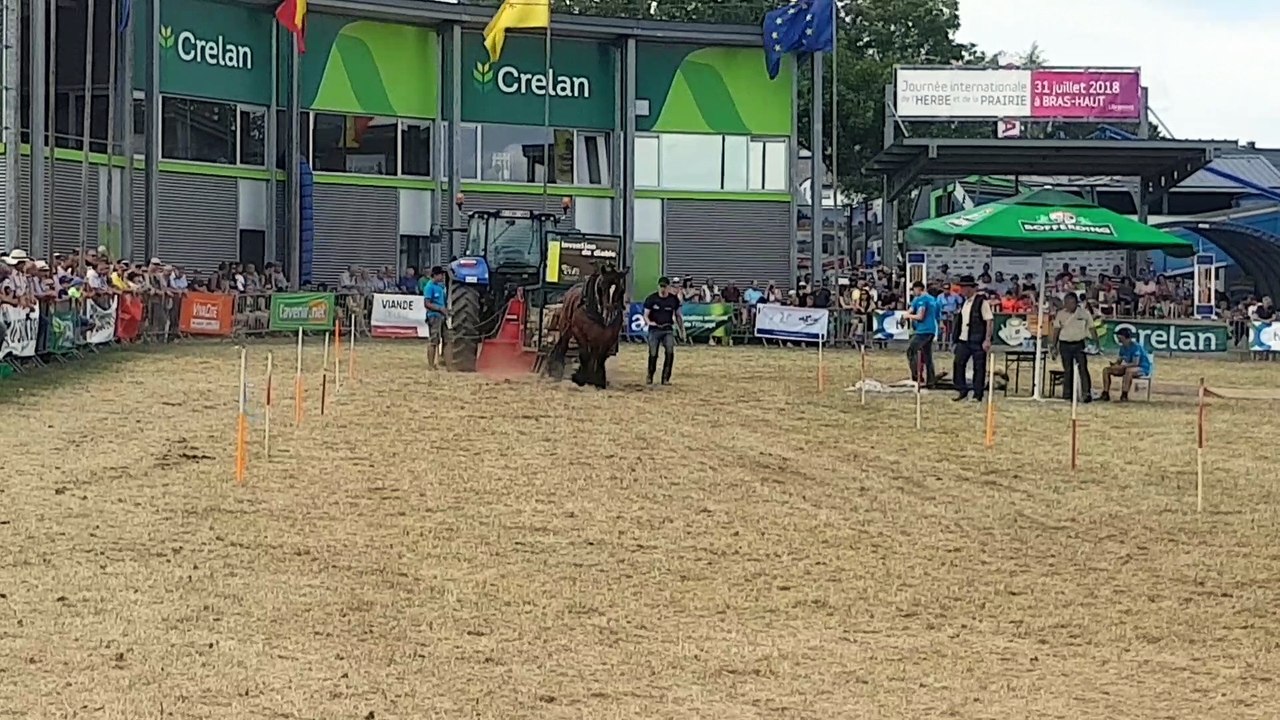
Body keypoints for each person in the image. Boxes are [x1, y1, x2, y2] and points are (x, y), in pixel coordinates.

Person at [1050, 291, 1099, 403]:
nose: (1068, 305)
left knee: (1083, 368)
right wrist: (1054, 345)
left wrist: (1097, 343)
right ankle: (1067, 394)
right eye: (1066, 303)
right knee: (1067, 370)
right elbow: (1056, 330)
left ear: (1076, 303)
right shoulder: (1060, 314)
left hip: (1079, 344)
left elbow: (1092, 328)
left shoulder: (1084, 313)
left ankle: (1086, 393)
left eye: (1071, 303)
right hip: (1064, 344)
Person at [950, 275, 992, 402]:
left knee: (979, 367)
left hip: (977, 339)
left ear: (970, 288)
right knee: (958, 363)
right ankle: (962, 389)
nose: (961, 290)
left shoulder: (982, 302)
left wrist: (987, 339)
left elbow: (989, 321)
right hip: (964, 339)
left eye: (963, 287)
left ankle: (977, 394)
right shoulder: (964, 303)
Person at [643, 276, 682, 385]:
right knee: (653, 353)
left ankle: (665, 378)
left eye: (665, 287)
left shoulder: (673, 300)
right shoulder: (651, 299)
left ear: (668, 287)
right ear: (658, 286)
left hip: (668, 329)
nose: (663, 289)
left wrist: (682, 330)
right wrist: (649, 322)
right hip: (654, 330)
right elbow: (645, 315)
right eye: (661, 286)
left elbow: (678, 316)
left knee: (670, 352)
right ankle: (650, 375)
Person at [902, 280, 940, 387]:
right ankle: (931, 380)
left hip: (923, 331)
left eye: (914, 290)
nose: (913, 293)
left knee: (911, 351)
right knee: (928, 356)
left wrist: (907, 316)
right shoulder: (933, 300)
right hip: (931, 330)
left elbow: (920, 316)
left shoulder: (922, 300)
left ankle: (917, 377)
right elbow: (911, 309)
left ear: (918, 289)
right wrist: (906, 315)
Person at [1102, 327, 1152, 402]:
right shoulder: (1122, 347)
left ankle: (1124, 395)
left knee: (1129, 371)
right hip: (1128, 367)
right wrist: (1114, 364)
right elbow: (1119, 361)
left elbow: (1136, 363)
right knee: (1106, 370)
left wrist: (1122, 366)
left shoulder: (1136, 347)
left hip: (1142, 368)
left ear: (1124, 337)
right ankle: (1105, 394)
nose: (1117, 338)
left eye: (1119, 336)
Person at [422, 266, 448, 369]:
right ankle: (431, 364)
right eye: (441, 275)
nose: (442, 277)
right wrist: (439, 309)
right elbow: (427, 303)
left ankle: (443, 360)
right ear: (436, 275)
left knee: (446, 338)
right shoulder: (429, 287)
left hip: (441, 316)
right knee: (433, 340)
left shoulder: (440, 287)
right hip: (434, 316)